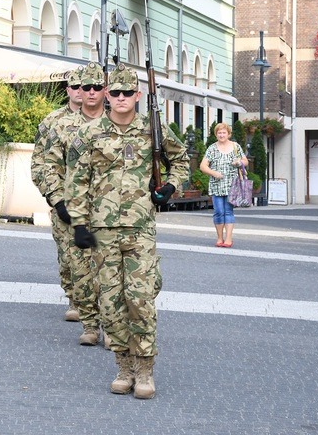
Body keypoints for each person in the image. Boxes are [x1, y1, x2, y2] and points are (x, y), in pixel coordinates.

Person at [67, 63, 189, 400]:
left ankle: (145, 369)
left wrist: (170, 187)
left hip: (140, 229)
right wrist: (78, 224)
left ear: (138, 95)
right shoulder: (89, 134)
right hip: (102, 232)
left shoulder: (153, 129)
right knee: (110, 304)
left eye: (127, 93)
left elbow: (181, 161)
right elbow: (76, 182)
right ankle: (124, 367)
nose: (121, 98)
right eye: (116, 92)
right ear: (107, 95)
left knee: (140, 299)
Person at [44, 62, 106, 344]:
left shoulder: (121, 123)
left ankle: (111, 325)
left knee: (108, 268)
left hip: (109, 210)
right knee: (76, 265)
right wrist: (58, 201)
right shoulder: (59, 124)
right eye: (84, 87)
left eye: (96, 87)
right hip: (72, 208)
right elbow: (46, 165)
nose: (89, 92)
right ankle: (86, 317)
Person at [30, 66, 82, 321]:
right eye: (76, 87)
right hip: (63, 198)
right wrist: (53, 196)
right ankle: (74, 299)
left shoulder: (105, 120)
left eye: (88, 86)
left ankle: (96, 306)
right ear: (68, 90)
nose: (82, 91)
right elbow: (39, 162)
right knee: (68, 254)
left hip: (97, 202)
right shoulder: (53, 121)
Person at [199, 123, 249, 248]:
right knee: (218, 211)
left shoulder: (235, 146)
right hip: (216, 184)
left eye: (224, 133)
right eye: (219, 133)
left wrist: (239, 162)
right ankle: (220, 238)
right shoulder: (212, 148)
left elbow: (245, 161)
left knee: (228, 211)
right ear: (216, 135)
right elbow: (203, 166)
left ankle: (228, 239)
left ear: (228, 134)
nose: (221, 135)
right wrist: (214, 173)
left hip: (232, 184)